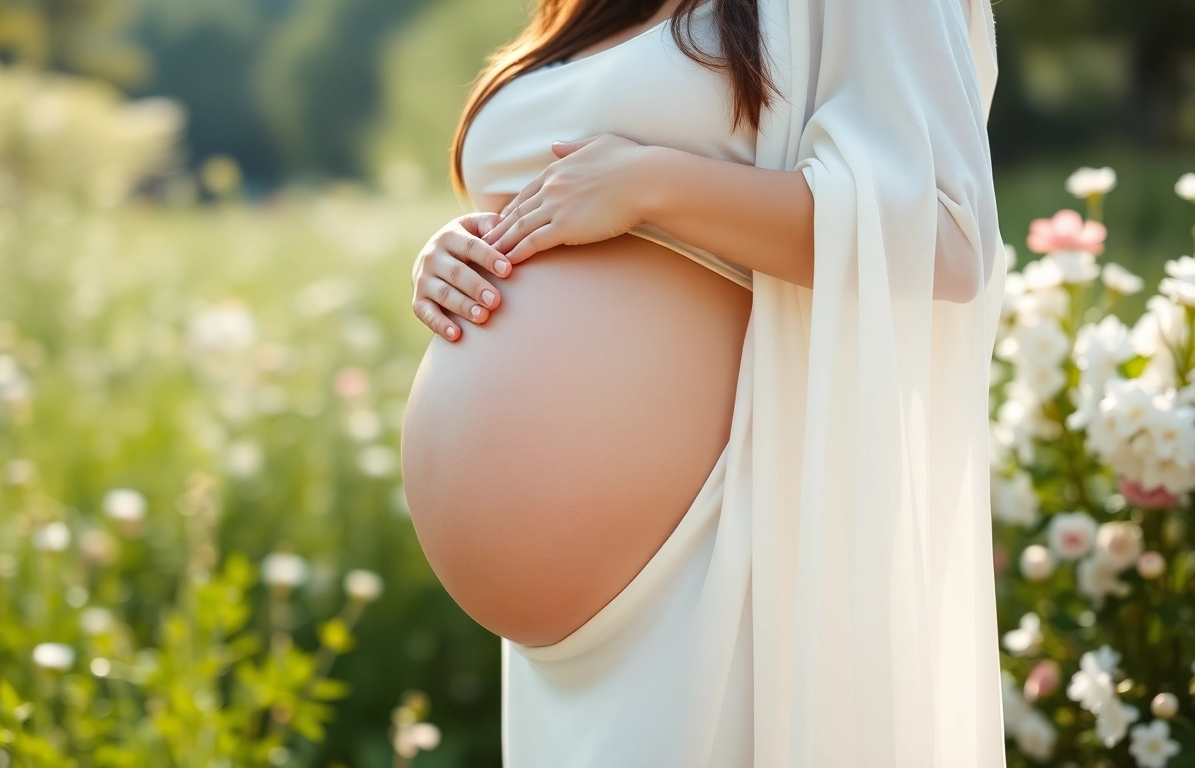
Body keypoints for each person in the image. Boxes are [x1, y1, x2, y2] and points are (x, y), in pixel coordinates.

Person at [398, 0, 1009, 764]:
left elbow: (947, 233)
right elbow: (565, 195)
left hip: (726, 559)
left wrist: (654, 184)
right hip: (556, 658)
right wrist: (457, 253)